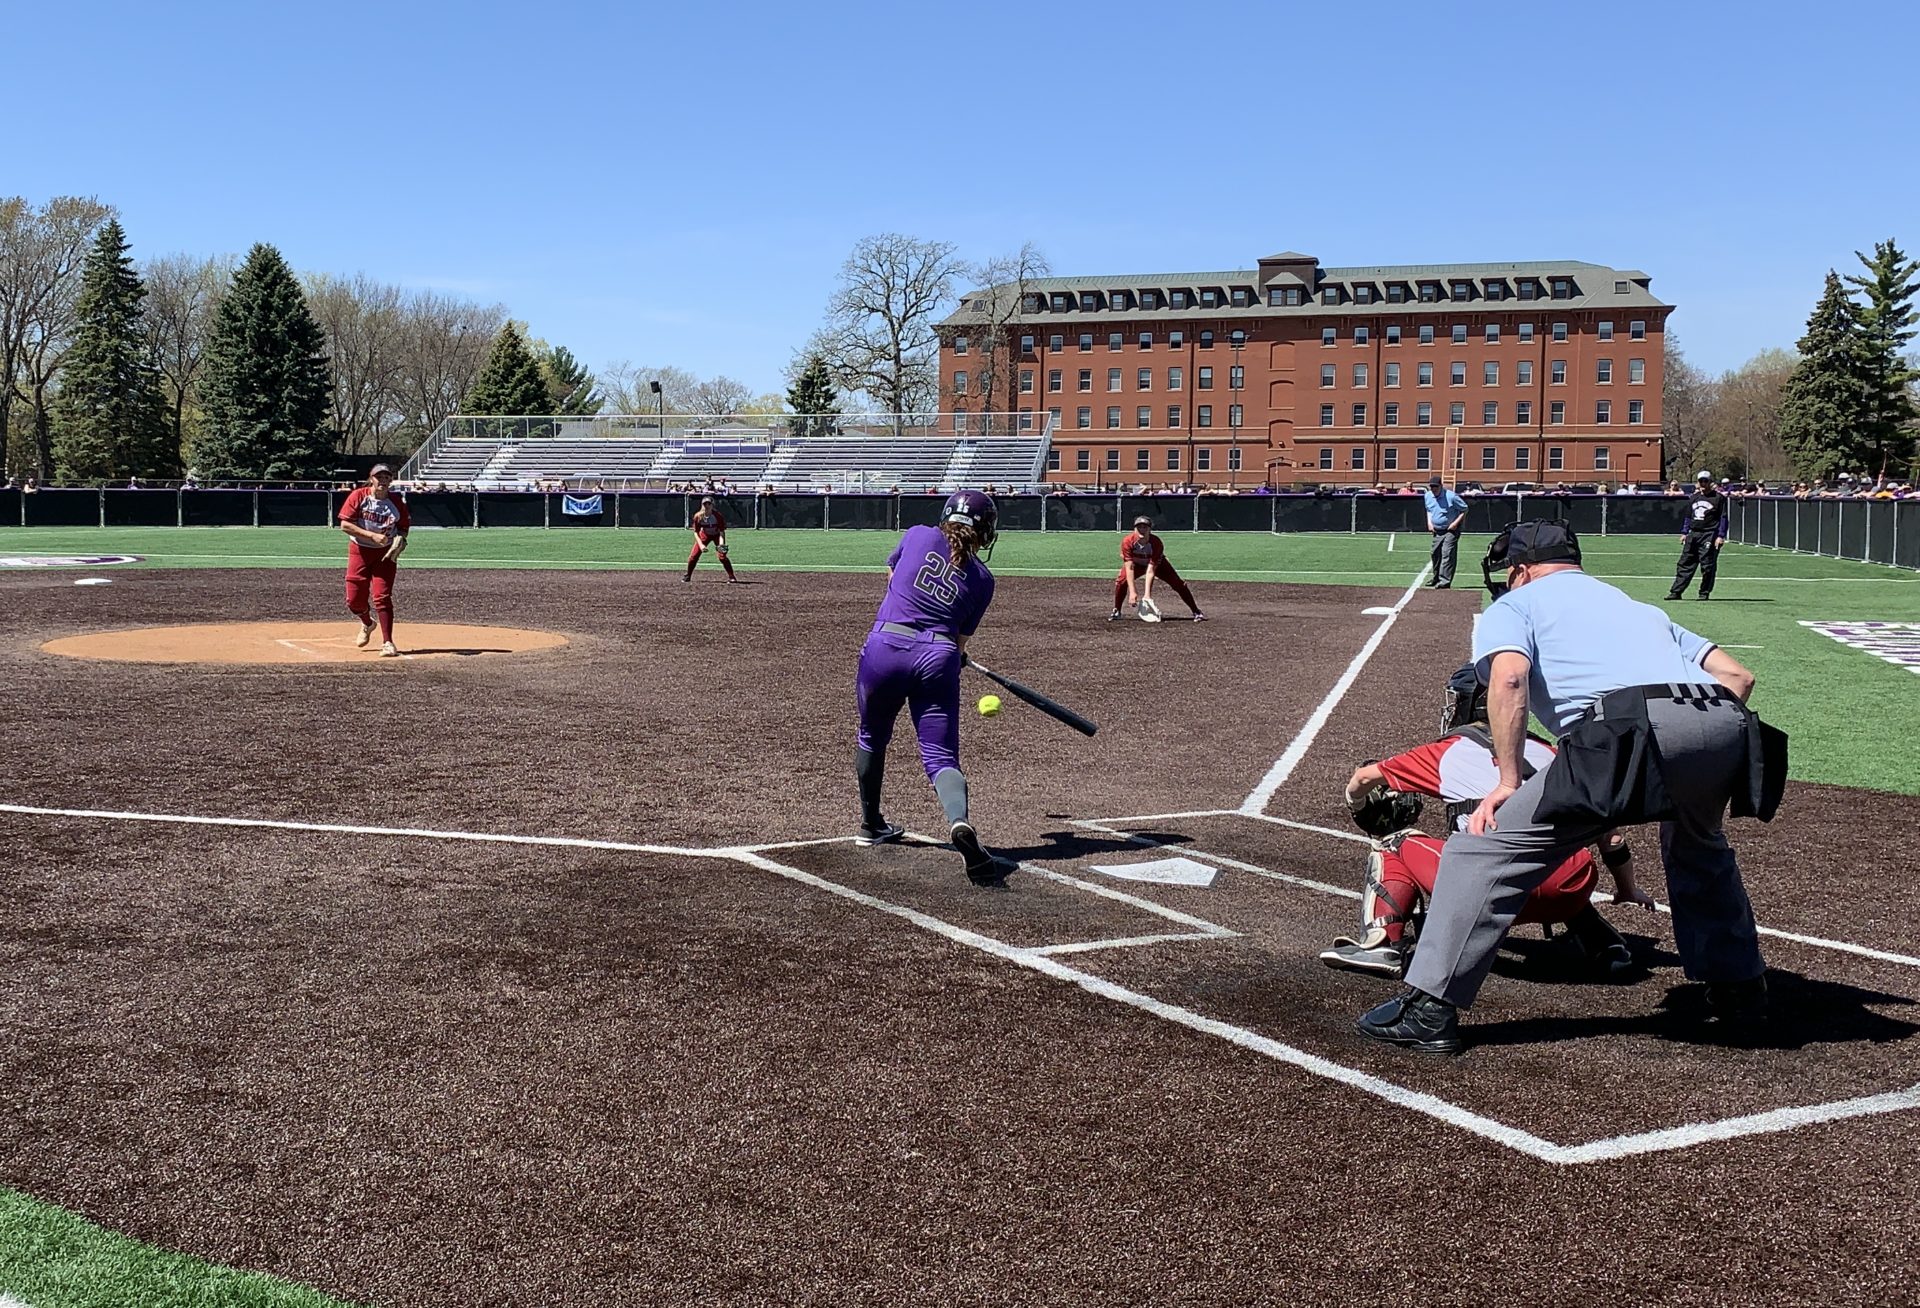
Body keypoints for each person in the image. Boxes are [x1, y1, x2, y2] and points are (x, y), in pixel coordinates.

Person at [1356, 520, 1772, 1055]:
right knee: (1698, 849)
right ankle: (1741, 991)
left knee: (1481, 850)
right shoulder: (1637, 607)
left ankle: (1429, 1009)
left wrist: (1507, 780)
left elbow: (1508, 680)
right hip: (1723, 723)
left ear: (1522, 569)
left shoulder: (1515, 605)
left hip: (1626, 727)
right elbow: (1739, 678)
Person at [1325, 664, 1648, 982]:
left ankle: (1382, 944)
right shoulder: (1554, 753)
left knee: (1395, 842)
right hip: (1568, 891)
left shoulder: (1445, 753)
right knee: (1555, 855)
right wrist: (1627, 889)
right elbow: (1612, 840)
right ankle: (1607, 946)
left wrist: (1357, 803)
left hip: (1494, 890)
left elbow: (1364, 777)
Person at [854, 489, 1001, 884]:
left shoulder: (918, 534)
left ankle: (871, 824)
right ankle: (958, 821)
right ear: (985, 531)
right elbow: (959, 643)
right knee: (940, 757)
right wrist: (953, 653)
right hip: (938, 655)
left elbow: (893, 579)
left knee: (872, 735)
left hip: (885, 645)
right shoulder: (984, 580)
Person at [337, 464, 410, 657]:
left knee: (382, 597)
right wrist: (371, 536)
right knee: (354, 600)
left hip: (385, 556)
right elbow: (345, 525)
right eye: (379, 477)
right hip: (359, 551)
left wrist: (401, 540)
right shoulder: (358, 496)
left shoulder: (396, 502)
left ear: (390, 481)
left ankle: (388, 642)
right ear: (371, 479)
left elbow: (403, 528)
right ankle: (368, 623)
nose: (383, 480)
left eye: (386, 477)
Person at [1109, 515, 1206, 622]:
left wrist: (1147, 596)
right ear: (1134, 529)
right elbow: (1130, 567)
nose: (1142, 530)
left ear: (1150, 529)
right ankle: (1116, 610)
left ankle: (1196, 611)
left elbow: (1150, 571)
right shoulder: (1127, 541)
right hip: (1136, 565)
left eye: (1145, 527)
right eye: (1139, 527)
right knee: (1121, 581)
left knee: (1178, 583)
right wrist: (1132, 591)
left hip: (1159, 566)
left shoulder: (1156, 543)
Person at [1666, 469, 1728, 601]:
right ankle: (1676, 592)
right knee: (1685, 563)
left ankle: (1704, 593)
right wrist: (1684, 532)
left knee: (1707, 566)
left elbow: (1723, 518)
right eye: (1701, 481)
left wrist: (1720, 536)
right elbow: (1688, 517)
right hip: (1693, 534)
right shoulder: (1693, 498)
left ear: (1710, 482)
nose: (1703, 483)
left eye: (1706, 481)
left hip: (1709, 534)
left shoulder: (1719, 499)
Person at [1421, 475, 1469, 588]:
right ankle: (1436, 577)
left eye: (1435, 487)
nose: (1433, 489)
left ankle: (1444, 581)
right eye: (1431, 487)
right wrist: (1429, 523)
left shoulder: (1451, 497)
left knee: (1447, 553)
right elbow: (1428, 510)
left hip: (1451, 530)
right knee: (1435, 553)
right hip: (1437, 530)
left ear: (1441, 486)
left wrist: (1455, 523)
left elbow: (1464, 509)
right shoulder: (1427, 496)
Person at [684, 495, 738, 583]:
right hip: (705, 535)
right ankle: (688, 575)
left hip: (717, 535)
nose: (707, 506)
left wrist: (721, 544)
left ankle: (732, 576)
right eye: (705, 504)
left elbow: (721, 532)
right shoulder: (698, 516)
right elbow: (696, 532)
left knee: (722, 557)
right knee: (693, 556)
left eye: (709, 504)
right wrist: (701, 545)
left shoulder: (717, 516)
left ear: (712, 505)